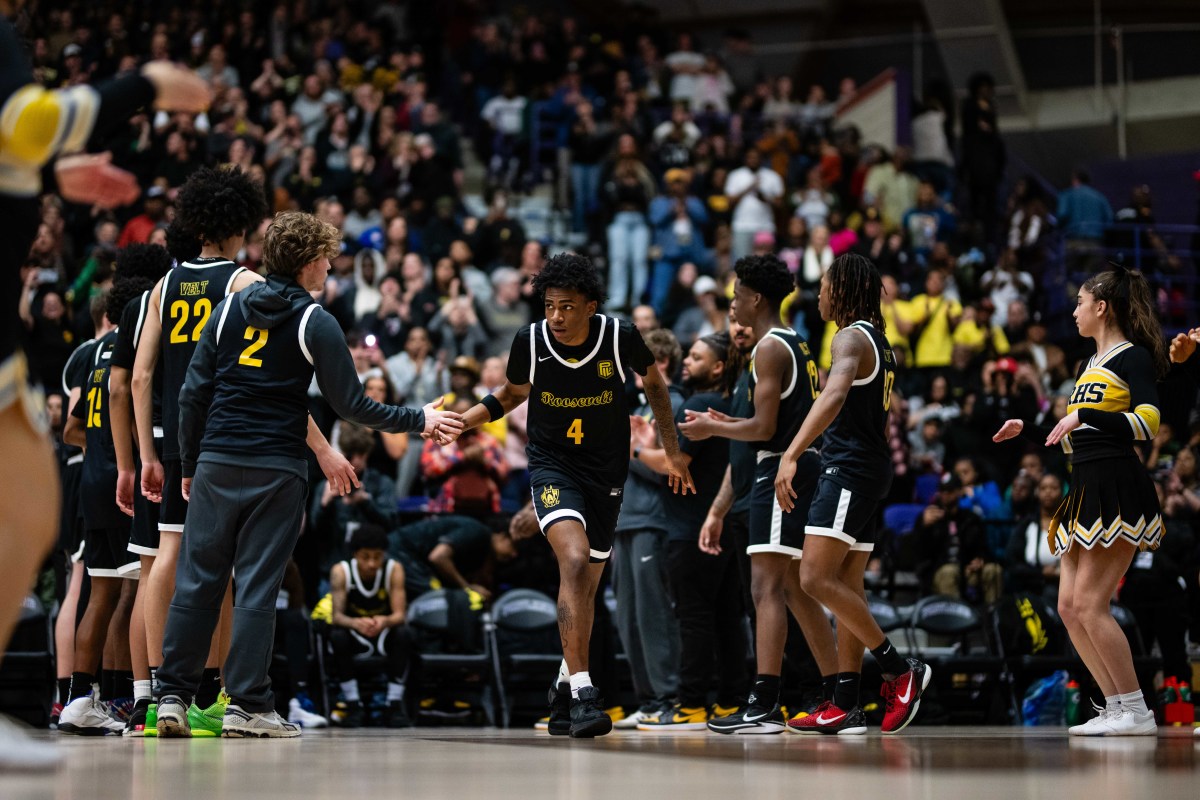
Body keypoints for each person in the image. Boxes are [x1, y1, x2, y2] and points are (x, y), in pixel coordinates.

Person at [154, 211, 462, 738]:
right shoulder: (314, 321)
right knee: (255, 587)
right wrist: (421, 419)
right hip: (276, 470)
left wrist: (185, 462)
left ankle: (171, 701)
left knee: (197, 584)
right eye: (326, 258)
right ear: (308, 263)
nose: (329, 267)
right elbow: (353, 405)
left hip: (217, 462)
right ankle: (247, 705)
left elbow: (191, 393)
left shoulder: (226, 310)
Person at [0, 3, 209, 767]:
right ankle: (94, 695)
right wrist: (145, 84)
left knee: (26, 521)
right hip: (111, 455)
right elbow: (27, 121)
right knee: (33, 527)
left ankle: (71, 696)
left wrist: (52, 174)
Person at [452, 252, 695, 738]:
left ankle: (562, 688)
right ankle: (585, 692)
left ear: (591, 306)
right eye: (549, 306)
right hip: (551, 466)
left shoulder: (618, 336)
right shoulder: (531, 341)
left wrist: (673, 452)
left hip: (604, 472)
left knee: (585, 586)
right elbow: (511, 394)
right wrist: (462, 422)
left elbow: (656, 385)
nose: (556, 316)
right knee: (574, 558)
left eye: (566, 306)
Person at [131, 166, 279, 736]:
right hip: (221, 438)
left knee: (166, 558)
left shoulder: (166, 284)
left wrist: (146, 449)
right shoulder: (242, 283)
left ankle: (156, 691)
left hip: (169, 437)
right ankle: (214, 694)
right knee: (224, 567)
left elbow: (142, 376)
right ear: (239, 224)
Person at [993, 266, 1166, 737]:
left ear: (1101, 307)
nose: (1073, 311)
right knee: (1068, 606)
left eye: (1080, 302)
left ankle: (1136, 709)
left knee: (1091, 604)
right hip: (1084, 485)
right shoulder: (1086, 366)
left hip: (1117, 485)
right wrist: (1028, 431)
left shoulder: (1134, 359)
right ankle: (1115, 705)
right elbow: (1075, 435)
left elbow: (1147, 422)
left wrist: (1084, 413)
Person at [774, 253, 932, 735]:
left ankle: (898, 669)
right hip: (867, 469)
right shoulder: (878, 341)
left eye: (822, 286)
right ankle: (845, 700)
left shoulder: (850, 336)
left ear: (840, 290)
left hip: (849, 470)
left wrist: (792, 453)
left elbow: (835, 393)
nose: (817, 294)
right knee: (848, 588)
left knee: (813, 577)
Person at [679, 254, 836, 735]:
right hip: (798, 465)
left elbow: (767, 428)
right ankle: (840, 689)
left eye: (736, 297)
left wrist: (710, 428)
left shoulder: (769, 348)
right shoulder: (796, 343)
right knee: (793, 587)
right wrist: (729, 425)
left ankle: (765, 700)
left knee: (765, 588)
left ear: (756, 298)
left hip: (778, 471)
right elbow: (773, 420)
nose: (733, 304)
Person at [632, 333, 748, 730]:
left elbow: (673, 463)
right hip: (724, 524)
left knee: (694, 619)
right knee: (728, 619)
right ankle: (731, 701)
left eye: (697, 357)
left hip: (689, 528)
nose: (687, 362)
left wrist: (635, 449)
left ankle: (691, 705)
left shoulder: (699, 404)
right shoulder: (733, 406)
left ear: (718, 367)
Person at [58, 292, 135, 735]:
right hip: (124, 479)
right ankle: (138, 698)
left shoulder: (93, 354)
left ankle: (77, 699)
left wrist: (100, 446)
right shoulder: (135, 345)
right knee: (138, 589)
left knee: (97, 592)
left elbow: (70, 428)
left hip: (89, 481)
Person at [105, 244, 174, 736]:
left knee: (147, 572)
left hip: (145, 444)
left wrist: (130, 461)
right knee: (206, 573)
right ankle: (206, 693)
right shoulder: (222, 292)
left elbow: (121, 386)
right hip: (193, 443)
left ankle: (144, 699)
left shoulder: (135, 308)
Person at [327, 526, 413, 729]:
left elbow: (400, 615)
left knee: (404, 633)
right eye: (365, 557)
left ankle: (394, 704)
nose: (372, 563)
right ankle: (352, 704)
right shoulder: (341, 572)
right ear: (355, 554)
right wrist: (355, 623)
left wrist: (384, 621)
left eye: (377, 557)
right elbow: (336, 617)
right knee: (337, 636)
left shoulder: (394, 569)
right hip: (355, 635)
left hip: (382, 632)